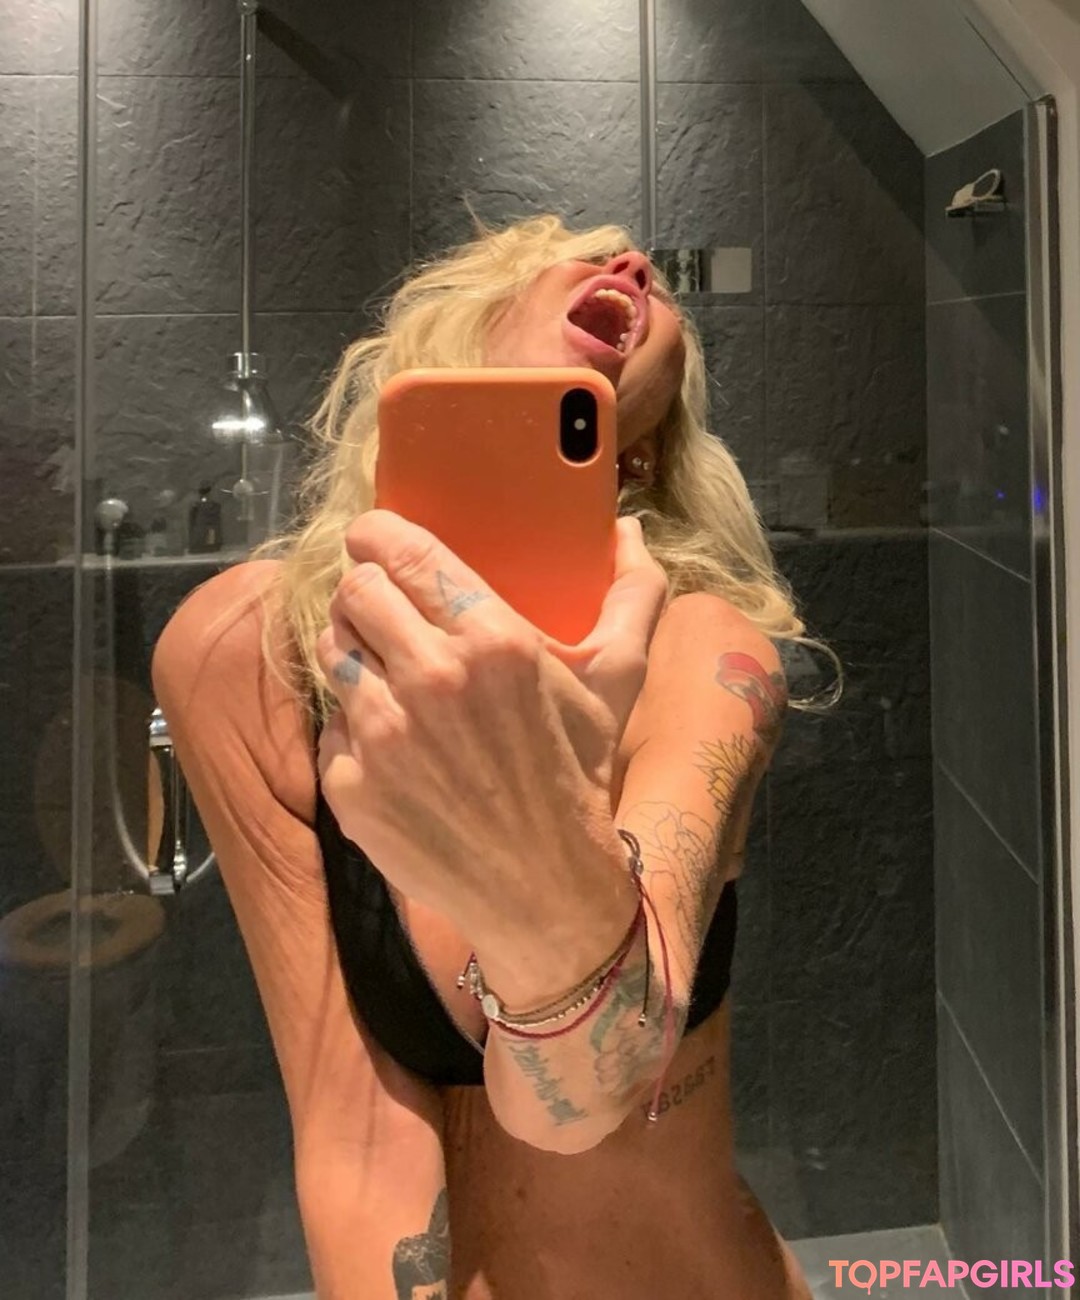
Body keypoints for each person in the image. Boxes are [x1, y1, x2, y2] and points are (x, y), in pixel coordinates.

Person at [153, 214, 831, 1300]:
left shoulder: (703, 648)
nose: (633, 265)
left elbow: (593, 1086)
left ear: (639, 450)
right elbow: (351, 1133)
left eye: (663, 300)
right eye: (579, 254)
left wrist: (541, 847)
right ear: (451, 346)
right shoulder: (250, 653)